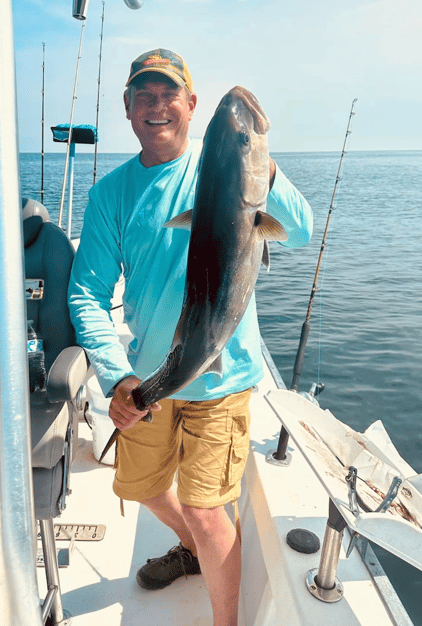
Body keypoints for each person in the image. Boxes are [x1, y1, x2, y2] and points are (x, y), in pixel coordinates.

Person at [68, 49, 313, 626]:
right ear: (128, 110)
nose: (157, 107)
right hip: (154, 374)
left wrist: (260, 167)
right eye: (144, 96)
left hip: (222, 378)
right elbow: (86, 294)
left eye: (168, 95)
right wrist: (118, 375)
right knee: (143, 489)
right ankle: (192, 552)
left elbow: (298, 230)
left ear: (191, 105)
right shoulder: (111, 195)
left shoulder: (224, 167)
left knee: (208, 510)